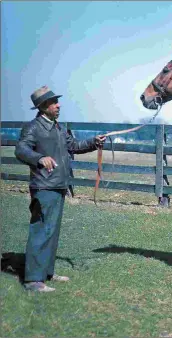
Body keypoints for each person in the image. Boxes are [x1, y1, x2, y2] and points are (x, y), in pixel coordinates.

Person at [14, 86, 106, 292]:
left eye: (57, 101)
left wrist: (93, 142)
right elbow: (21, 150)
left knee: (52, 232)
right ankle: (33, 280)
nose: (58, 105)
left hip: (58, 185)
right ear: (43, 106)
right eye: (53, 102)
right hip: (44, 187)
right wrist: (39, 158)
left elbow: (73, 145)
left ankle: (46, 272)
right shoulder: (33, 127)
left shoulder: (58, 127)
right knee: (41, 230)